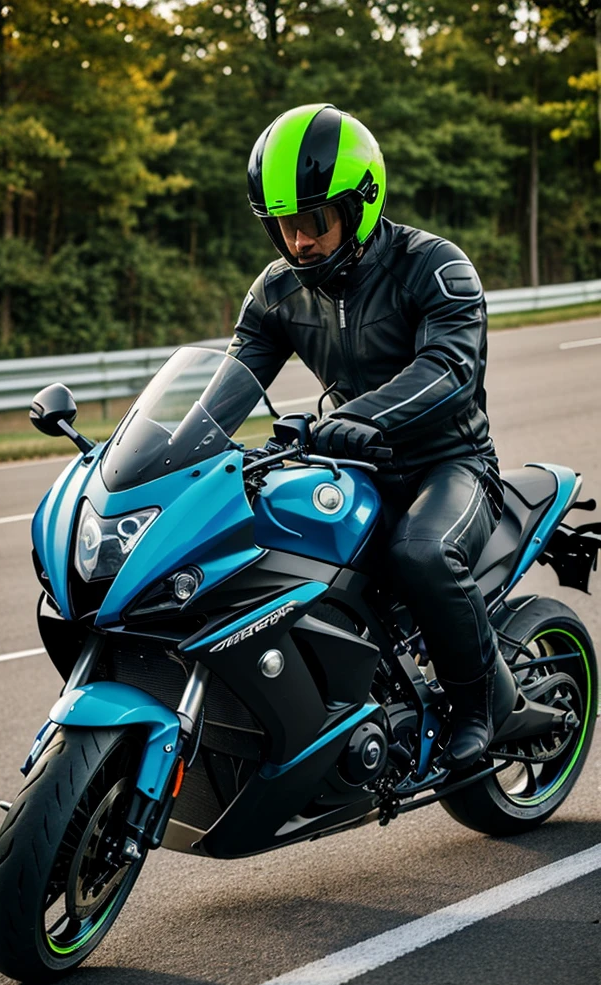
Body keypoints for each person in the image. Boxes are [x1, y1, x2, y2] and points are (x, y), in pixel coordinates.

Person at [228, 102, 512, 771]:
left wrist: (354, 420)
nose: (298, 242)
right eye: (284, 227)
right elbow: (231, 380)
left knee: (419, 553)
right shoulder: (279, 293)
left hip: (451, 464)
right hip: (352, 462)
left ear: (359, 204)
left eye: (314, 222)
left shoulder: (434, 266)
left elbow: (449, 368)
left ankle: (482, 707)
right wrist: (171, 450)